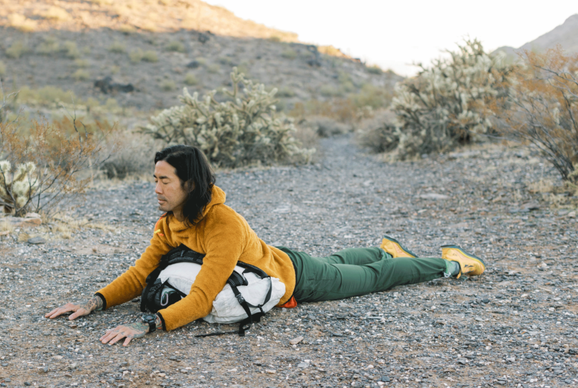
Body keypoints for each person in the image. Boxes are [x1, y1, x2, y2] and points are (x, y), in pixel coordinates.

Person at [45, 145, 485, 346]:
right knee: (337, 262)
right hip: (277, 257)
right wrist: (96, 302)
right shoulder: (171, 221)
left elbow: (201, 298)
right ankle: (383, 248)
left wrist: (149, 325)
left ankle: (449, 264)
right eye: (154, 179)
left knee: (371, 280)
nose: (156, 188)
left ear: (189, 184)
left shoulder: (222, 224)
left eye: (164, 181)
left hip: (294, 278)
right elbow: (143, 272)